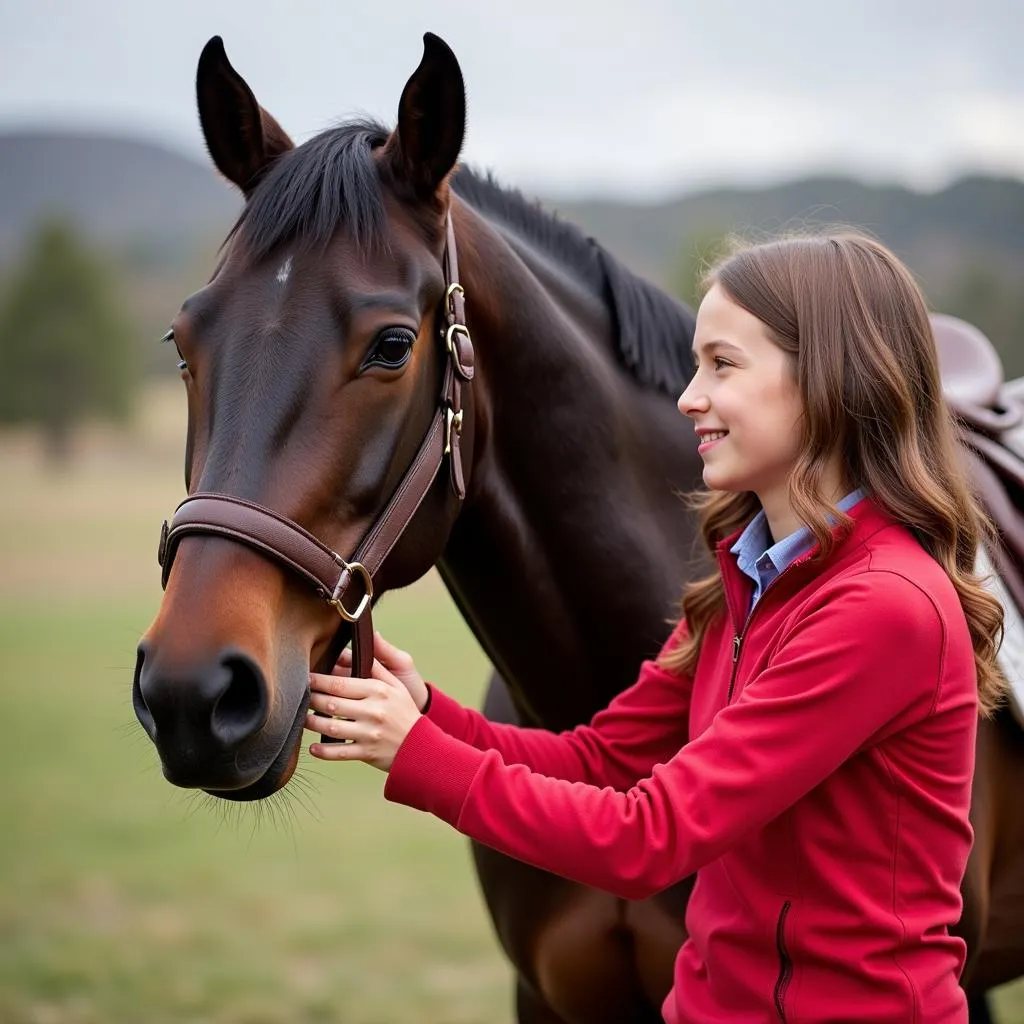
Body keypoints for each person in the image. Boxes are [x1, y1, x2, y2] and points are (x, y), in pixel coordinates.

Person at [303, 233, 1006, 1023]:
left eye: (722, 364)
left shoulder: (884, 608)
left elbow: (651, 837)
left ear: (827, 380)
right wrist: (426, 711)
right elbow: (598, 760)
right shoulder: (744, 582)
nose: (687, 396)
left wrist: (421, 756)